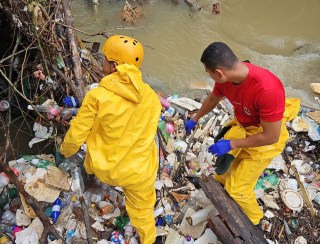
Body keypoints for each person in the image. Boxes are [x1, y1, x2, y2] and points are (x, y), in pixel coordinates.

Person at [59, 35, 162, 244]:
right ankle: (148, 240)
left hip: (106, 169)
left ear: (114, 66)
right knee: (143, 212)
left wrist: (64, 152)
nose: (102, 62)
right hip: (139, 171)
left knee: (87, 160)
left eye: (105, 58)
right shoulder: (151, 96)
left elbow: (77, 134)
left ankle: (91, 182)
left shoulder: (97, 96)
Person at [185, 42, 299, 226]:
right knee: (224, 172)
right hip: (244, 125)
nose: (210, 77)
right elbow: (213, 98)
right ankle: (224, 191)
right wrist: (196, 118)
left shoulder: (268, 89)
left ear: (219, 72)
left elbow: (271, 136)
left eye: (210, 73)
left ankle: (253, 220)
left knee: (237, 188)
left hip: (265, 138)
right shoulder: (227, 78)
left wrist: (232, 144)